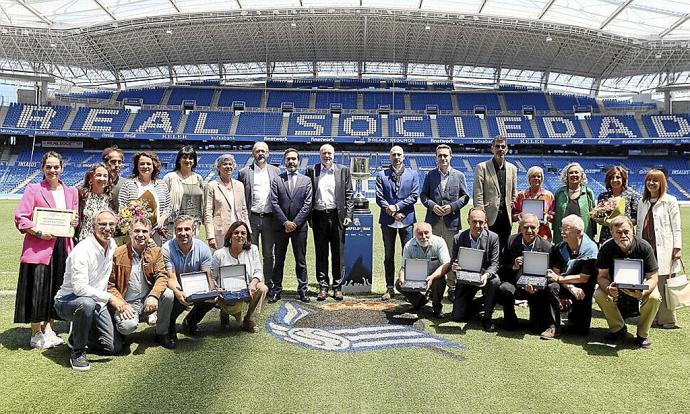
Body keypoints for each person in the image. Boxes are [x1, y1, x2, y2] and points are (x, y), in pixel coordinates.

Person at [14, 151, 78, 349]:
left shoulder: (71, 191)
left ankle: (49, 328)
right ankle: (36, 333)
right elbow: (21, 218)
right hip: (39, 247)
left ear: (62, 168)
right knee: (38, 289)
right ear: (43, 168)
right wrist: (39, 232)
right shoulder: (33, 189)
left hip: (62, 246)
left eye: (56, 166)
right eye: (48, 166)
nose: (52, 170)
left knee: (56, 288)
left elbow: (74, 218)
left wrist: (74, 222)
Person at [53, 209, 123, 371]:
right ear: (93, 226)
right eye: (102, 224)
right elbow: (79, 288)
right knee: (86, 304)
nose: (107, 228)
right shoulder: (82, 250)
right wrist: (111, 298)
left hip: (96, 300)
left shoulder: (112, 244)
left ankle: (78, 334)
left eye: (111, 224)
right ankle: (77, 352)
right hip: (68, 300)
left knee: (113, 348)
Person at [107, 218, 176, 349]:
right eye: (137, 231)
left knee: (168, 294)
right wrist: (121, 303)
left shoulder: (156, 252)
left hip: (147, 299)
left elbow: (162, 276)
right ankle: (119, 329)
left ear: (150, 234)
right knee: (127, 327)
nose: (140, 234)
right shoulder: (118, 253)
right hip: (127, 302)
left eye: (145, 231)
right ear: (130, 233)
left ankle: (162, 333)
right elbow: (110, 285)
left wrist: (154, 295)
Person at [594, 216, 661, 348]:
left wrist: (643, 292)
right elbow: (601, 276)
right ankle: (618, 328)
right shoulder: (606, 248)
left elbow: (653, 277)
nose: (623, 235)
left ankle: (642, 334)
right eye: (618, 233)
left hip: (640, 285)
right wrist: (608, 288)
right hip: (615, 285)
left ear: (633, 230)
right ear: (612, 233)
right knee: (598, 294)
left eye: (626, 231)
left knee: (654, 297)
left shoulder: (644, 247)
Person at [420, 144, 470, 302]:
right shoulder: (430, 175)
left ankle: (452, 288)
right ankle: (429, 286)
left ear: (450, 156)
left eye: (445, 155)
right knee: (430, 255)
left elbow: (465, 197)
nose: (442, 158)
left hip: (451, 222)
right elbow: (423, 196)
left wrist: (452, 207)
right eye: (440, 156)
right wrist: (432, 206)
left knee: (450, 256)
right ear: (436, 158)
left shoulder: (459, 175)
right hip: (433, 223)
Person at [306, 144, 354, 301]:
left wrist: (348, 214)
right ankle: (323, 286)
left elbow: (349, 195)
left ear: (334, 155)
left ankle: (337, 287)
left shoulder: (343, 170)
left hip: (337, 216)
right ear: (319, 154)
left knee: (338, 254)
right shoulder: (312, 170)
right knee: (321, 253)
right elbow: (307, 195)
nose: (327, 156)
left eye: (329, 153)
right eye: (324, 153)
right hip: (318, 216)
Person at [636, 169, 682, 329]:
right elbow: (639, 226)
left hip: (665, 249)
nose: (651, 183)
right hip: (646, 249)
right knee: (648, 283)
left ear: (661, 183)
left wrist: (677, 247)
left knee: (665, 284)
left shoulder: (670, 200)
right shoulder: (642, 202)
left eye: (655, 181)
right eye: (649, 180)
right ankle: (652, 317)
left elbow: (676, 227)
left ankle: (668, 319)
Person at [543, 215, 598, 339]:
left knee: (581, 331)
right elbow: (554, 275)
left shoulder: (591, 249)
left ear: (578, 232)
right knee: (552, 286)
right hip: (567, 285)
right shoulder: (560, 248)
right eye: (562, 228)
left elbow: (583, 278)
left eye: (566, 229)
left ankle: (574, 315)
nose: (562, 232)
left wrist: (560, 279)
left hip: (583, 288)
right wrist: (570, 287)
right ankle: (554, 325)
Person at [376, 145, 419, 301]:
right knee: (389, 256)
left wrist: (398, 207)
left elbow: (414, 196)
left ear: (404, 156)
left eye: (399, 154)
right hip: (388, 221)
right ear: (390, 157)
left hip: (406, 220)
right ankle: (389, 288)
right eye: (393, 154)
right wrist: (393, 212)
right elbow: (379, 198)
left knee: (408, 256)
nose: (396, 157)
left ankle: (409, 289)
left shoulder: (413, 174)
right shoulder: (381, 175)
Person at [269, 148, 313, 303]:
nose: (291, 161)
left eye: (294, 159)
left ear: (298, 161)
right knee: (279, 260)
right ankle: (276, 290)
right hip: (280, 227)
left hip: (299, 228)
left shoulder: (306, 180)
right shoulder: (277, 180)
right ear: (284, 161)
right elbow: (274, 203)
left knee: (300, 260)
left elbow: (308, 205)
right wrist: (285, 222)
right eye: (288, 159)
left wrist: (295, 223)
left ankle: (303, 290)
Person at [497, 213, 552, 332]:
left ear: (538, 228)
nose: (529, 230)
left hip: (536, 288)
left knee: (537, 329)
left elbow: (550, 274)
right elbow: (500, 267)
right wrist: (513, 266)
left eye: (533, 227)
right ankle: (510, 319)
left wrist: (538, 286)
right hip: (515, 284)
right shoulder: (511, 241)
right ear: (520, 228)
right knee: (504, 288)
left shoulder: (547, 247)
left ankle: (537, 318)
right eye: (526, 227)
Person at [163, 215, 216, 339]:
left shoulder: (203, 249)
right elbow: (170, 277)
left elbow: (207, 275)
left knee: (211, 299)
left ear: (194, 230)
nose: (183, 233)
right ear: (174, 231)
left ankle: (190, 322)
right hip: (174, 285)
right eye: (179, 229)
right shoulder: (166, 249)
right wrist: (178, 292)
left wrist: (212, 292)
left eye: (187, 229)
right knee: (171, 296)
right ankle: (170, 325)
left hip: (196, 286)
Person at [449, 208, 501, 332]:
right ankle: (481, 304)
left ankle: (487, 318)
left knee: (495, 281)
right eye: (474, 222)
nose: (478, 225)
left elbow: (495, 264)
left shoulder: (493, 237)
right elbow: (453, 260)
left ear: (486, 222)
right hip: (465, 276)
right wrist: (454, 266)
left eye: (481, 222)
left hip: (484, 275)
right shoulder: (458, 238)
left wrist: (486, 275)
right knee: (457, 317)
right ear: (468, 221)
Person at [238, 142, 281, 291]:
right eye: (257, 151)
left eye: (263, 151)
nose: (260, 153)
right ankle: (251, 284)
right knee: (249, 252)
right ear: (253, 153)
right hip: (252, 218)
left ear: (268, 153)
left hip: (270, 218)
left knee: (269, 254)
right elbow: (241, 197)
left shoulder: (276, 171)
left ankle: (268, 283)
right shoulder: (244, 172)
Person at [211, 221, 268, 333]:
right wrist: (217, 289)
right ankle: (224, 312)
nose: (240, 236)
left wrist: (252, 284)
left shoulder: (253, 250)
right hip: (227, 291)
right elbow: (212, 277)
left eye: (243, 233)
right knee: (234, 307)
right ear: (230, 236)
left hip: (247, 287)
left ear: (247, 237)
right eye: (236, 233)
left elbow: (258, 271)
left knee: (262, 288)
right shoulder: (219, 254)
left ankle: (248, 319)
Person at [395, 222, 450, 318]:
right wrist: (402, 278)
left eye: (426, 233)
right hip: (417, 276)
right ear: (414, 234)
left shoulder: (440, 242)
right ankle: (420, 302)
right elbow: (403, 267)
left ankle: (437, 307)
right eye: (420, 234)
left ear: (431, 232)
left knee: (439, 281)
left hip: (435, 275)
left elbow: (446, 264)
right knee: (398, 284)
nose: (423, 236)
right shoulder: (408, 246)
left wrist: (432, 277)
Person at [473, 136, 517, 249]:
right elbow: (478, 195)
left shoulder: (512, 168)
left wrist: (511, 205)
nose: (500, 149)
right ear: (492, 149)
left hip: (506, 218)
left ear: (507, 149)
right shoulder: (482, 167)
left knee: (504, 248)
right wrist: (482, 218)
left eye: (503, 146)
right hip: (489, 217)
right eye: (497, 146)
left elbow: (513, 193)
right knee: (487, 247)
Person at [118, 151, 171, 244]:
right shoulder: (128, 184)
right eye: (142, 164)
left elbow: (168, 206)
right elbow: (122, 207)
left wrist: (162, 219)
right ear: (137, 166)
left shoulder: (162, 184)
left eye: (148, 164)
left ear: (153, 166)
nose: (145, 166)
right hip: (135, 232)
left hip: (157, 232)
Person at [204, 154, 249, 251]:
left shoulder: (239, 185)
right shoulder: (212, 186)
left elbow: (244, 210)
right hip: (220, 232)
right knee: (220, 260)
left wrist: (248, 231)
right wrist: (210, 236)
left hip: (238, 231)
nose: (228, 166)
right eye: (224, 164)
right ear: (218, 167)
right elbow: (208, 212)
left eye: (230, 164)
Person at [164, 146, 205, 235]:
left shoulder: (199, 178)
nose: (187, 160)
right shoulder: (170, 177)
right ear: (179, 160)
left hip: (194, 223)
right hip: (175, 223)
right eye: (184, 157)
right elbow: (163, 200)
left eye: (191, 158)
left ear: (194, 161)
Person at [552, 162, 596, 244]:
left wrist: (593, 233)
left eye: (576, 172)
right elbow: (553, 213)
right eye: (571, 173)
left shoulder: (588, 192)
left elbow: (593, 215)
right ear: (566, 176)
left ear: (581, 175)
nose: (574, 175)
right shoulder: (559, 193)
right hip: (562, 235)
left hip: (583, 235)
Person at [593, 166, 639, 244]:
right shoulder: (603, 196)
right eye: (612, 178)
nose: (615, 180)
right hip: (607, 235)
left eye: (618, 177)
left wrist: (622, 224)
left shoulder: (632, 195)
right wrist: (599, 218)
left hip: (625, 235)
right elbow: (599, 217)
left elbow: (636, 217)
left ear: (623, 179)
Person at [512, 166, 554, 241]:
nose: (536, 178)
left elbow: (553, 216)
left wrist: (547, 216)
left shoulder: (549, 196)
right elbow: (513, 216)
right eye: (533, 176)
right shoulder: (521, 195)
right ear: (529, 178)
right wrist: (519, 216)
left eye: (539, 176)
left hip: (543, 234)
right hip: (525, 234)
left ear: (542, 179)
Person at [76, 163, 114, 242]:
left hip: (104, 242)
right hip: (84, 241)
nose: (102, 178)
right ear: (91, 177)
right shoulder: (81, 196)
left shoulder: (111, 199)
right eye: (99, 175)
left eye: (105, 176)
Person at [102, 146, 125, 212]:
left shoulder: (127, 184)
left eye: (119, 162)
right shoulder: (96, 183)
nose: (117, 165)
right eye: (113, 161)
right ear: (105, 163)